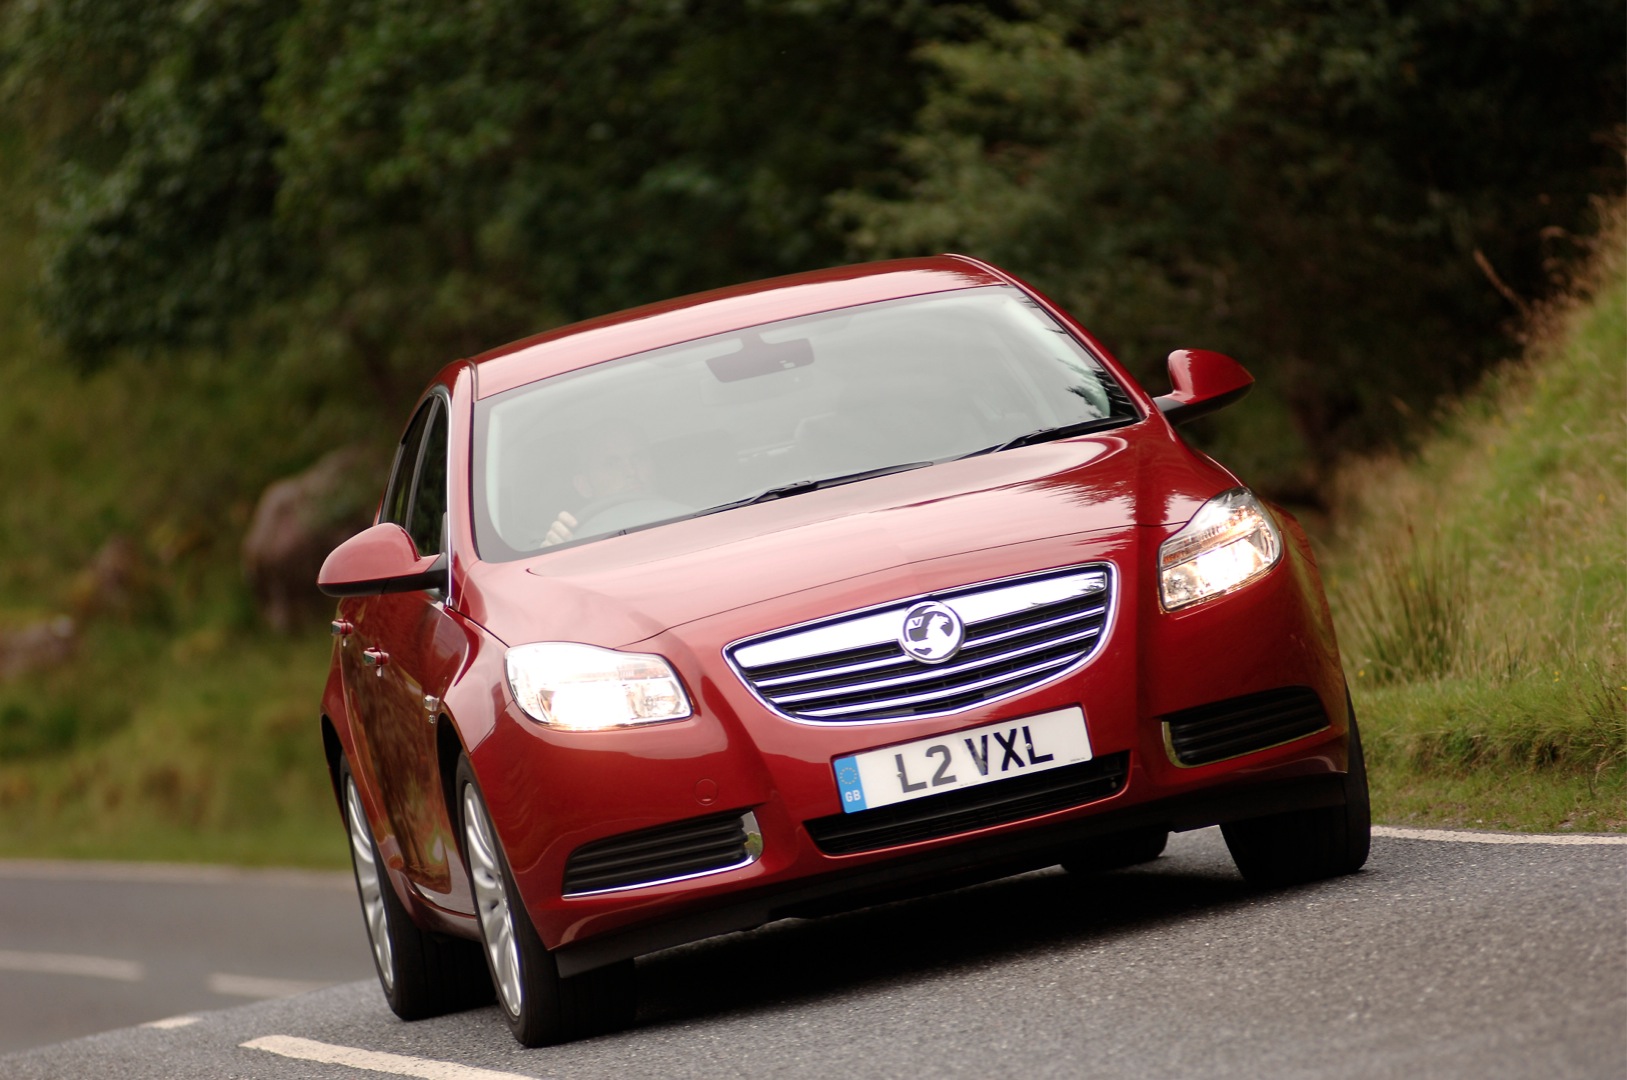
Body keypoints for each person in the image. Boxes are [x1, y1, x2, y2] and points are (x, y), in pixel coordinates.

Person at [540, 431, 658, 546]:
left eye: (638, 458)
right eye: (612, 464)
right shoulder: (578, 542)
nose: (631, 471)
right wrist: (557, 549)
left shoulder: (677, 517)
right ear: (584, 485)